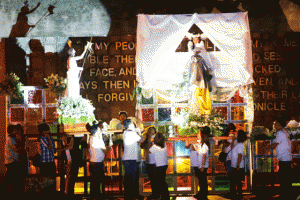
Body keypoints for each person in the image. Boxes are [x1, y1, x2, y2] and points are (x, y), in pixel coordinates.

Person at [266, 116, 292, 198]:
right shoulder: (285, 132)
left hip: (284, 159)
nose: (274, 126)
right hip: (286, 158)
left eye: (275, 124)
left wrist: (267, 147)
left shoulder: (280, 133)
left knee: (283, 177)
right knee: (286, 177)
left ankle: (284, 195)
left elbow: (275, 144)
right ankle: (286, 194)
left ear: (279, 124)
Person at [87, 121, 112, 200]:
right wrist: (110, 146)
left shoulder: (91, 138)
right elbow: (105, 151)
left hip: (92, 162)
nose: (100, 130)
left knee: (93, 181)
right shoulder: (98, 139)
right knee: (98, 182)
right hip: (98, 163)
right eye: (99, 129)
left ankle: (93, 196)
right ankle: (98, 197)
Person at [122, 119, 144, 200]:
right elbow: (141, 139)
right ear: (130, 125)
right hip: (131, 159)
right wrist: (139, 132)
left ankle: (132, 195)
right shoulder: (130, 133)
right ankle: (131, 196)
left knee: (131, 179)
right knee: (132, 179)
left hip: (130, 159)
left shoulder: (126, 132)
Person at [149, 132, 170, 200]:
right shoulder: (164, 145)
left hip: (158, 166)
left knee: (159, 182)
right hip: (164, 165)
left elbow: (150, 158)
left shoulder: (153, 148)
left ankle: (163, 196)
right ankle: (165, 196)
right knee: (162, 181)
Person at [193, 126, 210, 200]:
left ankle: (203, 194)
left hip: (202, 165)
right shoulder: (202, 145)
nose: (197, 135)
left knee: (202, 180)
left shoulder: (205, 146)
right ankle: (202, 193)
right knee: (201, 180)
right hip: (201, 165)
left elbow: (203, 156)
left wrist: (202, 166)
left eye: (199, 134)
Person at [140, 126, 157, 199]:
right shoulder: (146, 140)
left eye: (152, 133)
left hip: (155, 162)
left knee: (155, 179)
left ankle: (156, 194)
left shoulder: (156, 140)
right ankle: (154, 193)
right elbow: (142, 146)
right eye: (150, 132)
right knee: (152, 179)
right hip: (148, 161)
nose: (151, 134)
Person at [230, 130, 247, 199]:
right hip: (235, 165)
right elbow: (231, 148)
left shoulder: (240, 145)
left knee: (237, 181)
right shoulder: (237, 143)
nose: (235, 135)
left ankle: (238, 195)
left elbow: (240, 155)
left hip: (238, 166)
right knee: (235, 181)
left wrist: (237, 165)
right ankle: (236, 194)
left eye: (237, 134)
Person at [4, 125, 19, 198]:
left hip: (9, 160)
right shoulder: (11, 139)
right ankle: (10, 193)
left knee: (10, 176)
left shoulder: (10, 138)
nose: (16, 132)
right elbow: (15, 149)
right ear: (12, 131)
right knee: (11, 177)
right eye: (15, 130)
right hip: (11, 161)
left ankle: (8, 192)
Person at [185, 134, 200, 199]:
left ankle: (198, 192)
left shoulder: (199, 140)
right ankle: (197, 191)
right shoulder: (190, 140)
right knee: (197, 176)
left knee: (199, 177)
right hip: (194, 161)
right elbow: (186, 147)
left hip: (197, 161)